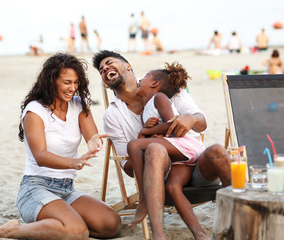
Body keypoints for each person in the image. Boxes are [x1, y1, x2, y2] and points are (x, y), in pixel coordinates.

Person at [92, 50, 231, 240]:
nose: (105, 68)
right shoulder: (113, 115)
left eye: (109, 63)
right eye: (101, 70)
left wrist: (189, 119)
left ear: (128, 66)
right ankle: (158, 232)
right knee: (154, 150)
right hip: (164, 176)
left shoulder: (164, 88)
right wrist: (149, 146)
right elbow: (128, 168)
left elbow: (201, 123)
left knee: (217, 150)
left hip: (197, 164)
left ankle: (240, 217)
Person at [0, 53, 121, 240]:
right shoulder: (35, 111)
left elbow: (91, 136)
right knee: (77, 232)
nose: (72, 88)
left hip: (66, 189)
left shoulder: (79, 105)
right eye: (67, 82)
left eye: (76, 83)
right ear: (52, 81)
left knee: (111, 224)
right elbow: (40, 156)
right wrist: (73, 163)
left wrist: (93, 143)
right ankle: (11, 230)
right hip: (36, 188)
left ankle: (60, 226)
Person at [127, 63, 208, 239]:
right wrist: (148, 131)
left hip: (185, 145)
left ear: (155, 83)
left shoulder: (160, 98)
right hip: (180, 159)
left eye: (146, 76)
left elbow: (173, 126)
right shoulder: (145, 111)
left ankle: (143, 199)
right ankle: (199, 234)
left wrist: (145, 132)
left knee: (133, 145)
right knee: (173, 188)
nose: (140, 79)